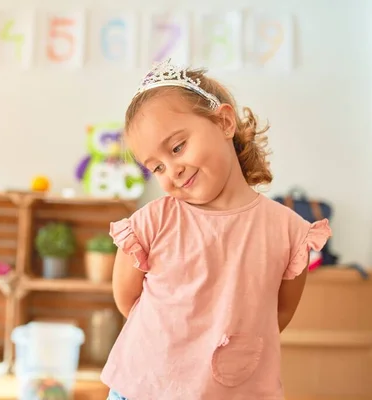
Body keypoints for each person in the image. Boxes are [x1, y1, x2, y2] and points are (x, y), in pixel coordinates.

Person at [102, 59, 332, 400]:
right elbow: (127, 299)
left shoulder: (286, 231)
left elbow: (277, 314)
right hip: (145, 385)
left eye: (178, 147)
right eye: (157, 167)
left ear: (224, 122)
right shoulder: (152, 222)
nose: (173, 171)